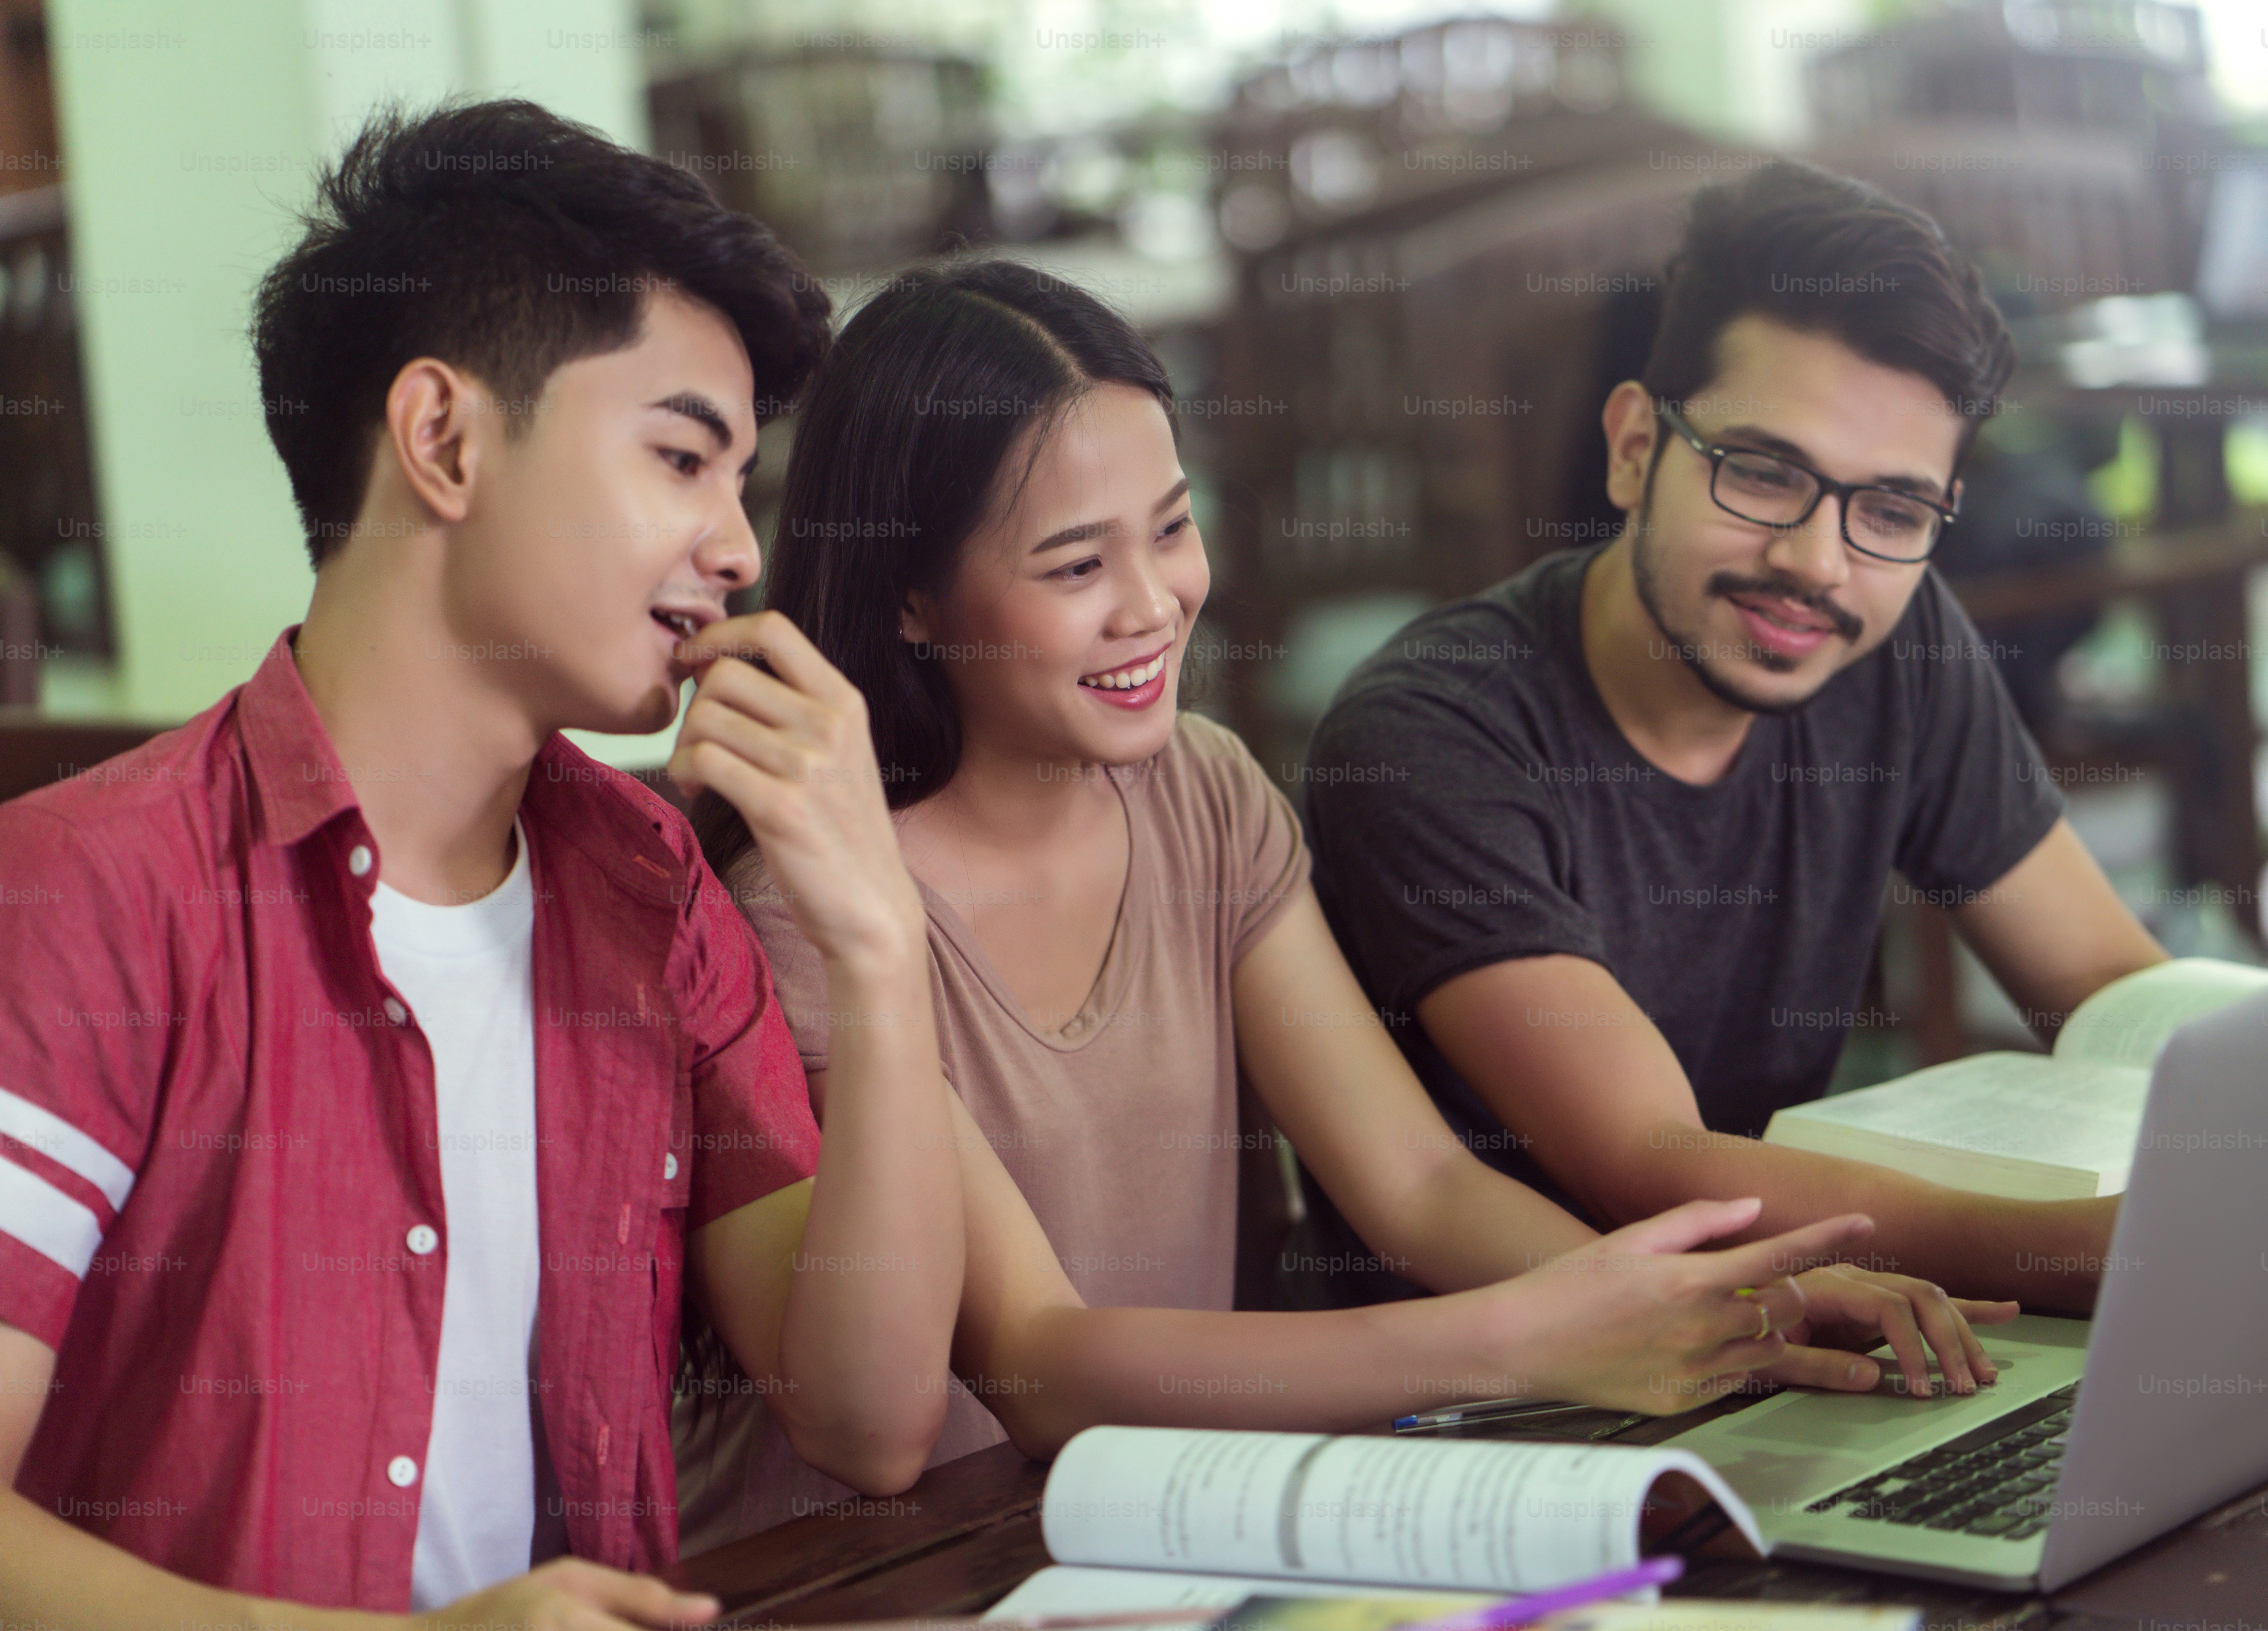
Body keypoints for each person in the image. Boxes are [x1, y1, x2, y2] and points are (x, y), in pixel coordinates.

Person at [673, 259, 2017, 1550]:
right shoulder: (814, 906)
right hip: (901, 1565)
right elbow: (1039, 1363)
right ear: (913, 597)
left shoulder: (1202, 794)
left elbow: (1418, 1182)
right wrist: (1524, 1340)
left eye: (1172, 528)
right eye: (1075, 568)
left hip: (1161, 1527)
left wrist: (1716, 1315)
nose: (1153, 606)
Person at [0, 100, 971, 1628]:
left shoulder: (649, 888)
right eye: (680, 459)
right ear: (443, 439)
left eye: (740, 488)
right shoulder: (87, 895)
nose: (737, 551)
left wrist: (881, 947)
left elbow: (867, 1421)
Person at [1300, 160, 2169, 1313]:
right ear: (1631, 450)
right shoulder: (1432, 734)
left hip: (1788, 1326)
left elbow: (2106, 986)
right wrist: (2089, 1252)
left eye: (1894, 511)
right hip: (1499, 1404)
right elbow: (1648, 1163)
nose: (1818, 562)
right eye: (1762, 474)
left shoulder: (1891, 644)